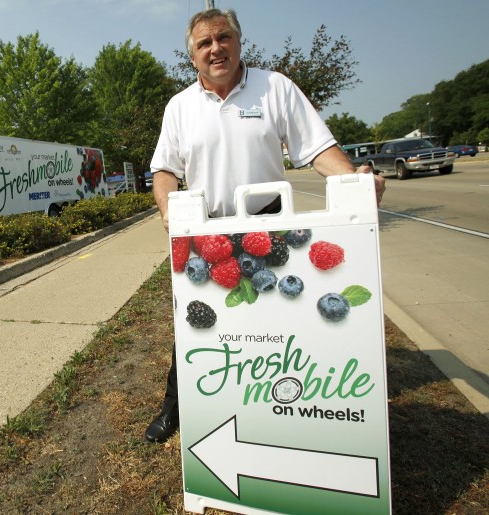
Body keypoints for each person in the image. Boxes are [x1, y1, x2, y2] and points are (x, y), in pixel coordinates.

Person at [144, 8, 386, 443]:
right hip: (207, 236)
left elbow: (317, 148)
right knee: (197, 324)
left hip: (270, 234)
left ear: (239, 42)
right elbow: (164, 170)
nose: (215, 48)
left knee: (278, 322)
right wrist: (166, 208)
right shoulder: (179, 107)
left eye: (224, 38)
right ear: (193, 55)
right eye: (204, 43)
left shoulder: (276, 88)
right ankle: (176, 406)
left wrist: (354, 182)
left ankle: (277, 408)